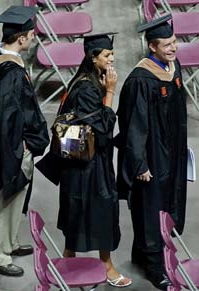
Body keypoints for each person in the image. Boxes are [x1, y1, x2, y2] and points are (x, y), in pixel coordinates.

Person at [36, 32, 133, 287]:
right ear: (93, 57)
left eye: (112, 54)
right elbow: (103, 131)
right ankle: (106, 266)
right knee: (97, 210)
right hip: (85, 165)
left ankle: (74, 258)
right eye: (107, 55)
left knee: (83, 210)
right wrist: (110, 92)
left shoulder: (89, 80)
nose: (112, 59)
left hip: (84, 162)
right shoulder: (86, 88)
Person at [0, 6, 49, 277]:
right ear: (23, 38)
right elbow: (6, 118)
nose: (34, 39)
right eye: (32, 35)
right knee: (5, 195)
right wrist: (20, 147)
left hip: (11, 142)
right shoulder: (10, 71)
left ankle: (9, 243)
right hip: (13, 145)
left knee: (16, 194)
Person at [116, 14, 187, 290]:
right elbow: (134, 126)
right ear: (152, 47)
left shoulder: (173, 67)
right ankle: (156, 267)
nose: (173, 48)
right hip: (152, 157)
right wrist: (139, 163)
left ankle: (142, 254)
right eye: (166, 44)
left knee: (166, 202)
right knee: (150, 209)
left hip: (172, 154)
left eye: (174, 41)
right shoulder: (141, 79)